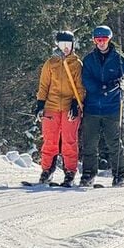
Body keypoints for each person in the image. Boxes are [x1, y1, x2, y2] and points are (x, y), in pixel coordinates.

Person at [80, 25, 124, 188]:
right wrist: (102, 88)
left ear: (109, 40)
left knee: (113, 141)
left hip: (112, 107)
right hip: (92, 107)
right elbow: (86, 80)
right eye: (97, 40)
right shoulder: (88, 60)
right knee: (89, 142)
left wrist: (123, 85)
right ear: (94, 41)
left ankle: (120, 174)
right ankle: (88, 174)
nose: (101, 43)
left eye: (104, 40)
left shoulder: (118, 59)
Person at [32, 31, 85, 187]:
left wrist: (76, 103)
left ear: (73, 45)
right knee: (50, 140)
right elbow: (43, 86)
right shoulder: (50, 63)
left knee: (69, 141)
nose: (65, 48)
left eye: (68, 45)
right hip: (52, 106)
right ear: (57, 45)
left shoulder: (76, 64)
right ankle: (47, 170)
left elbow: (80, 87)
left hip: (70, 107)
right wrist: (40, 104)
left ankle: (70, 172)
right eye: (62, 45)